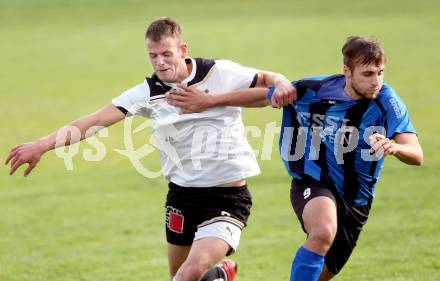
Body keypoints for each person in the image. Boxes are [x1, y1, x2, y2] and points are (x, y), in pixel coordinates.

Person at [4, 17, 294, 281]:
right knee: (179, 276)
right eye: (153, 56)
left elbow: (270, 80)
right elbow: (93, 121)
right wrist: (42, 145)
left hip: (227, 198)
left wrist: (281, 83)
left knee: (188, 274)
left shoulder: (218, 72)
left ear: (182, 49)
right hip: (182, 196)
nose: (160, 62)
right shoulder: (147, 93)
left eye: (166, 54)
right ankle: (220, 276)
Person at [166, 36, 423, 280]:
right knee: (322, 232)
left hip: (357, 198)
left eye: (380, 73)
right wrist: (209, 101)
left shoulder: (387, 101)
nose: (376, 81)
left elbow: (416, 154)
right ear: (347, 71)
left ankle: (217, 277)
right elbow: (263, 96)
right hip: (313, 181)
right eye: (367, 74)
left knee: (321, 271)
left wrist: (395, 148)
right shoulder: (314, 90)